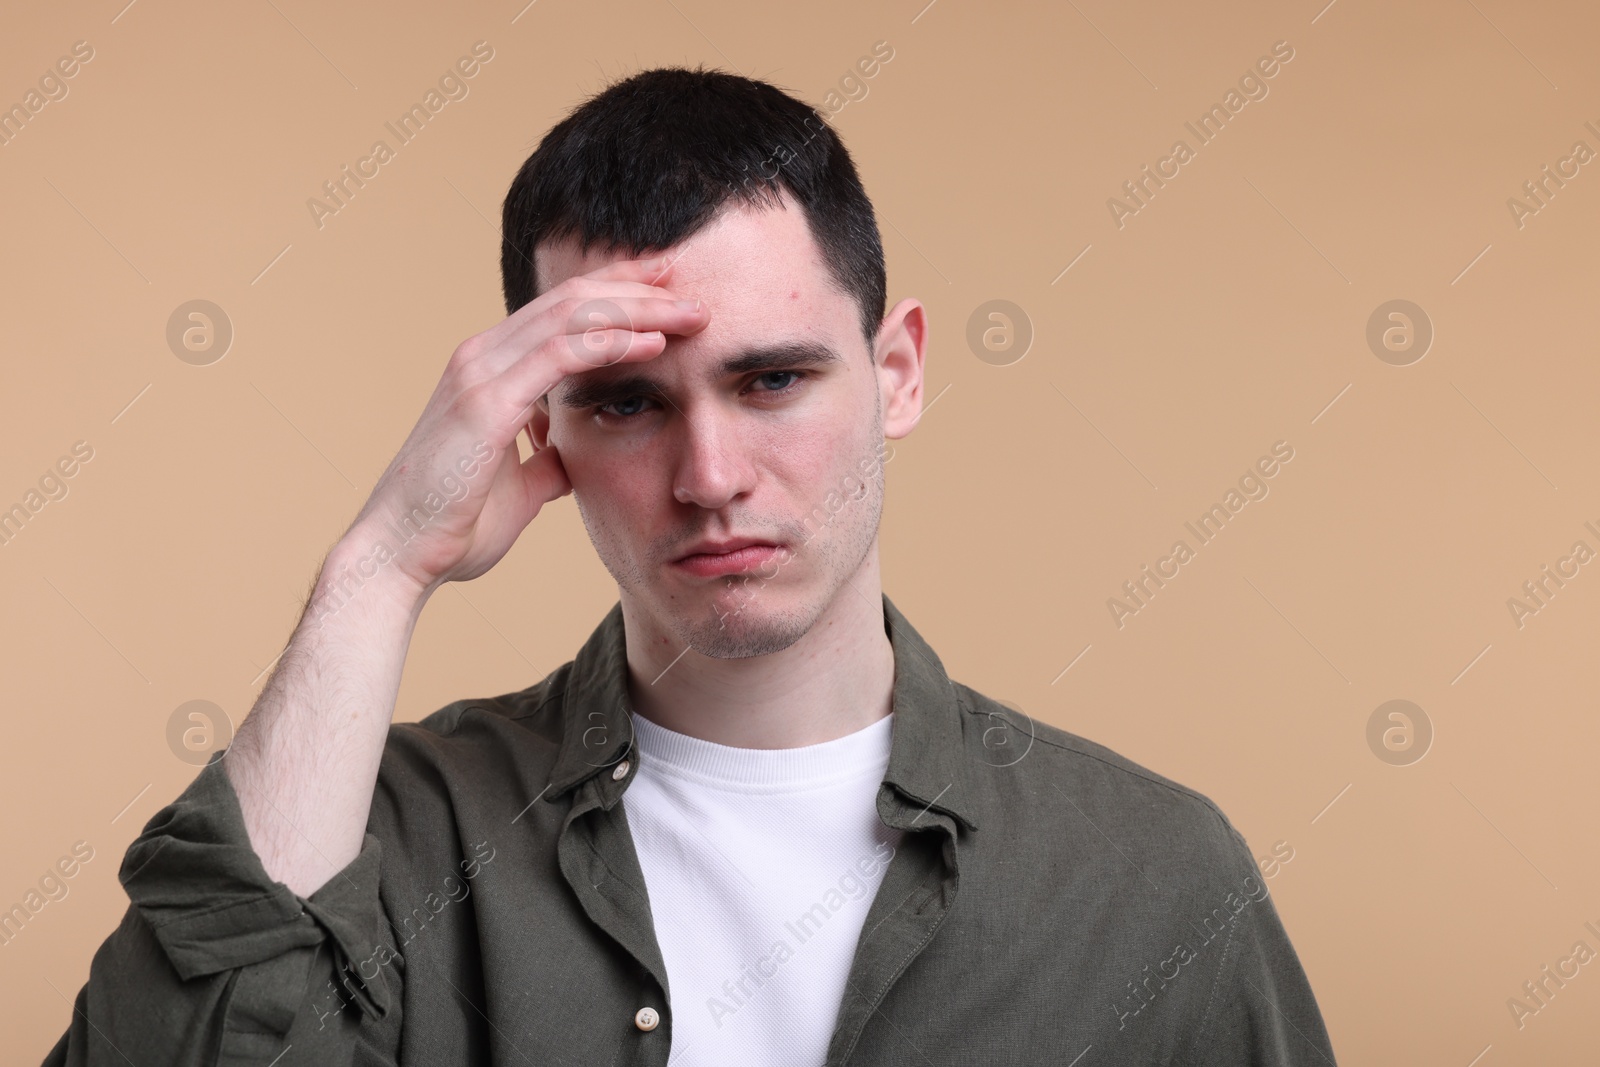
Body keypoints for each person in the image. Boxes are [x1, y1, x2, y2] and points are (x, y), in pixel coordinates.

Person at [45, 66, 1336, 1066]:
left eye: (772, 380)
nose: (709, 474)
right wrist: (382, 567)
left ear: (897, 372)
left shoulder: (1148, 878)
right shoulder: (390, 846)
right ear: (538, 427)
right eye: (623, 403)